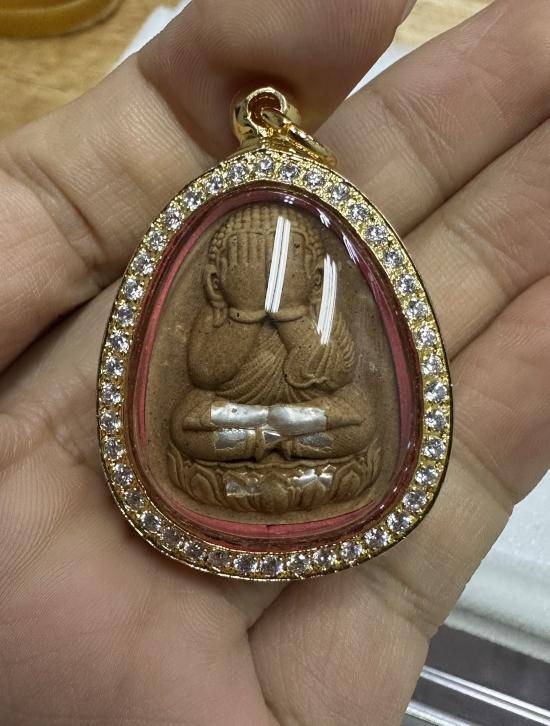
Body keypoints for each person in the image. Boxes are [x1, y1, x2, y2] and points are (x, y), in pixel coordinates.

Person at [0, 0, 548, 723]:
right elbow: (206, 377)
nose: (266, 277)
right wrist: (243, 316)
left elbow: (331, 375)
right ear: (219, 274)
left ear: (312, 273)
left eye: (282, 267)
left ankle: (279, 447)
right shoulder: (218, 317)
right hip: (229, 430)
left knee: (352, 419)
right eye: (248, 266)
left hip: (306, 427)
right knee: (193, 420)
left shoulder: (315, 313)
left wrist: (289, 317)